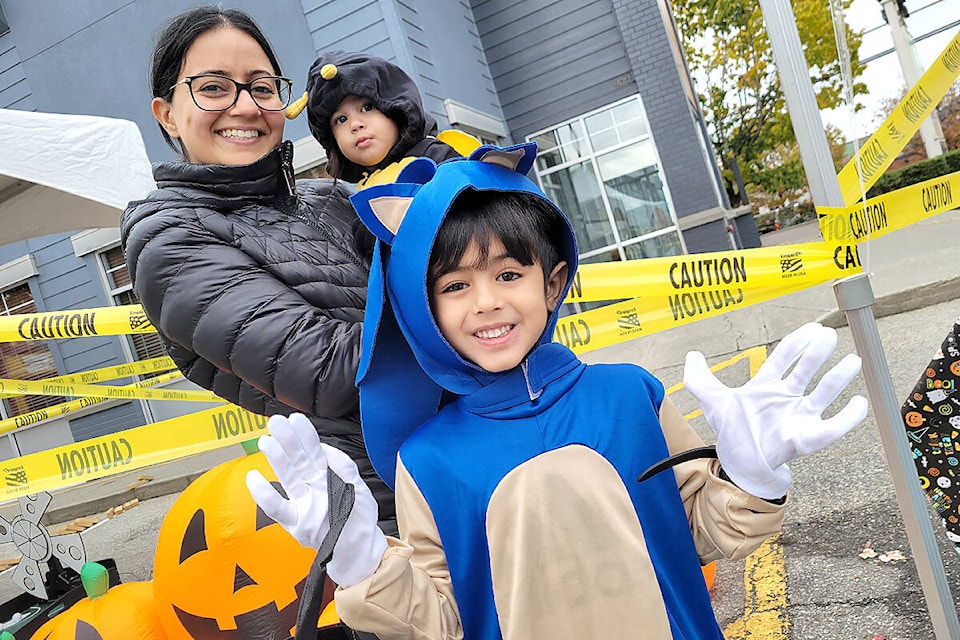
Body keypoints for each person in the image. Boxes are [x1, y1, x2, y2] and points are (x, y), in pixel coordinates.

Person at [246, 144, 869, 639]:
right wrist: (361, 561)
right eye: (455, 285)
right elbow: (442, 621)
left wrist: (749, 478)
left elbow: (701, 534)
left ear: (553, 282)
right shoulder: (427, 459)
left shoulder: (630, 397)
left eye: (509, 274)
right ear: (421, 307)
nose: (487, 301)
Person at [119, 6, 396, 534]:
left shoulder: (332, 197)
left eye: (262, 87)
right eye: (215, 88)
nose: (245, 107)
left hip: (478, 443)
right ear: (167, 114)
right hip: (385, 508)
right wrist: (480, 314)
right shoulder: (169, 238)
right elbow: (332, 371)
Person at [287, 50, 472, 189]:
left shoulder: (435, 158)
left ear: (395, 109)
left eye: (367, 108)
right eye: (341, 119)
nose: (355, 124)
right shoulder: (361, 192)